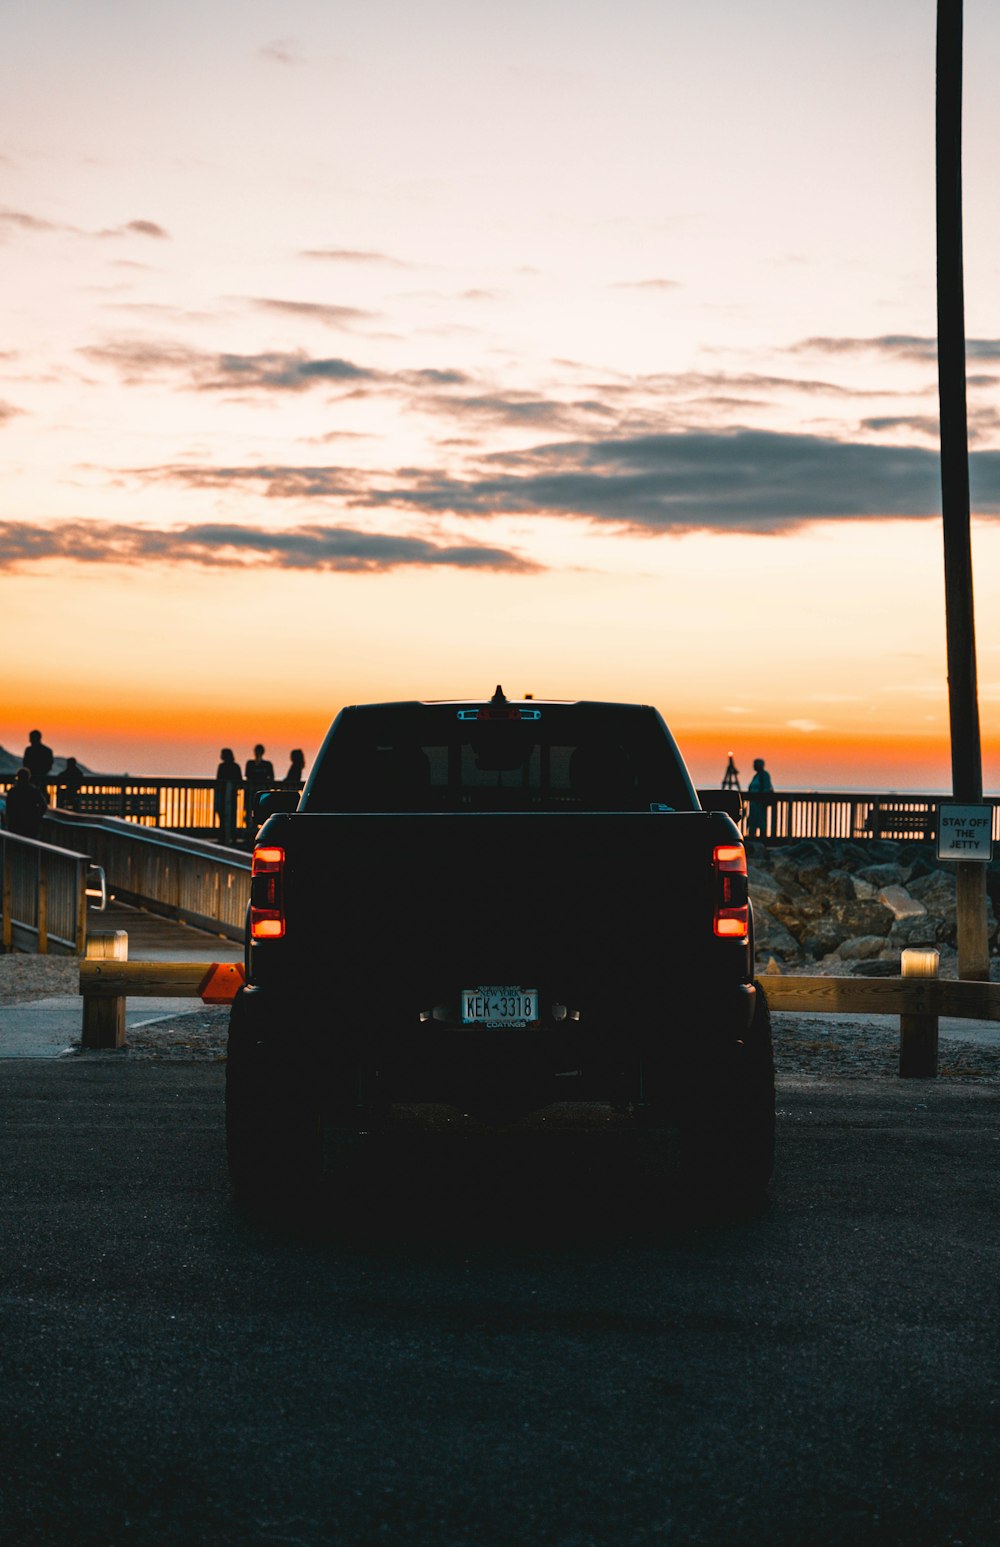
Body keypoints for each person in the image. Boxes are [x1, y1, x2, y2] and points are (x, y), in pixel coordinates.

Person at [3, 767, 49, 838]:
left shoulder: (12, 791)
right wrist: (36, 816)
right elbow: (43, 806)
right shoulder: (34, 791)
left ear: (18, 777)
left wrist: (8, 822)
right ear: (29, 777)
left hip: (15, 824)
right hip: (31, 824)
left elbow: (8, 808)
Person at [244, 744, 275, 834]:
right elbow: (248, 776)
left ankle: (258, 831)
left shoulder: (267, 764)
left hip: (261, 793)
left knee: (260, 812)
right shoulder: (250, 763)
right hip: (251, 792)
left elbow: (271, 777)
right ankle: (250, 830)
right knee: (250, 811)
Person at [213, 748, 243, 845]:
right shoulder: (235, 766)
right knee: (232, 817)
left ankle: (222, 837)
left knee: (222, 816)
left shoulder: (222, 766)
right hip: (232, 795)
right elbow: (240, 780)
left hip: (222, 795)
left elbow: (218, 780)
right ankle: (232, 837)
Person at [747, 757, 774, 840]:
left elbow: (766, 788)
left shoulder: (764, 775)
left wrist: (760, 797)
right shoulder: (756, 775)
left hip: (760, 803)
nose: (753, 766)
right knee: (753, 821)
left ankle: (762, 839)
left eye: (755, 764)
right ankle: (752, 838)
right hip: (753, 803)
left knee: (761, 821)